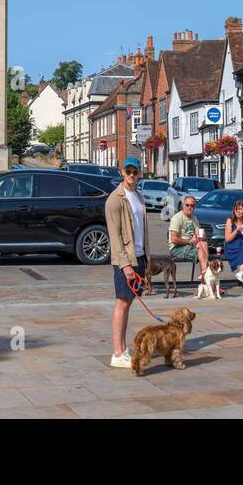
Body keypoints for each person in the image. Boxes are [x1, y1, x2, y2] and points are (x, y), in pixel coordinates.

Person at [104, 157, 148, 368]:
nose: (131, 175)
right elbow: (115, 236)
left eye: (135, 171)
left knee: (129, 301)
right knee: (122, 301)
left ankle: (122, 348)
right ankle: (117, 352)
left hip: (139, 255)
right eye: (128, 171)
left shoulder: (138, 196)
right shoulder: (115, 199)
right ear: (122, 172)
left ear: (140, 173)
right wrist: (126, 265)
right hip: (125, 259)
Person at [167, 195, 209, 281]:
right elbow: (174, 239)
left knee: (204, 244)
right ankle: (207, 281)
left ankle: (206, 280)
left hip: (190, 246)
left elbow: (198, 233)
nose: (189, 207)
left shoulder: (194, 218)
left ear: (195, 207)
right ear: (183, 205)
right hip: (177, 248)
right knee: (202, 252)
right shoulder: (177, 218)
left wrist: (200, 236)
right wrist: (190, 241)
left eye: (192, 205)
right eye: (187, 205)